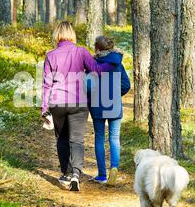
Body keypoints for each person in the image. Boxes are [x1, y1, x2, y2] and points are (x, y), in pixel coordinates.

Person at [41, 22, 116, 192]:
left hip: (57, 102)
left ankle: (66, 173)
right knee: (77, 139)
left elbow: (46, 84)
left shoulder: (51, 55)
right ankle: (76, 173)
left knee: (62, 138)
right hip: (79, 102)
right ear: (72, 34)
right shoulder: (81, 51)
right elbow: (96, 70)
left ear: (57, 35)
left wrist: (44, 108)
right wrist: (113, 62)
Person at [85, 36, 131, 186]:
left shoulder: (93, 65)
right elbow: (126, 85)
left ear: (97, 49)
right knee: (114, 138)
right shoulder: (118, 64)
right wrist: (115, 95)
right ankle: (114, 168)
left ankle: (102, 175)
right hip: (114, 105)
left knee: (99, 138)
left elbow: (88, 87)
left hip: (97, 106)